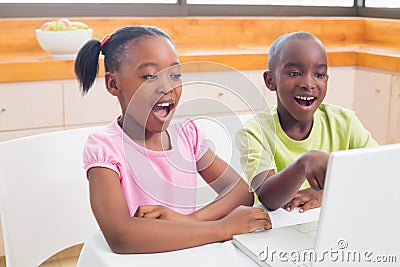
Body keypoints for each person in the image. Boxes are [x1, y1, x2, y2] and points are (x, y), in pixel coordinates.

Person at [74, 26, 271, 254]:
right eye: (149, 76)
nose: (167, 87)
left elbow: (240, 191)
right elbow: (121, 237)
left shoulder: (187, 135)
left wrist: (191, 221)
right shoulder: (104, 148)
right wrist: (220, 228)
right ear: (113, 84)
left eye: (175, 75)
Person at [236, 31, 378, 213]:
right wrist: (304, 163)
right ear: (270, 81)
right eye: (294, 73)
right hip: (277, 227)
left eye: (319, 75)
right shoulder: (254, 131)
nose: (308, 84)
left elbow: (378, 172)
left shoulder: (345, 122)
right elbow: (268, 197)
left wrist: (324, 194)